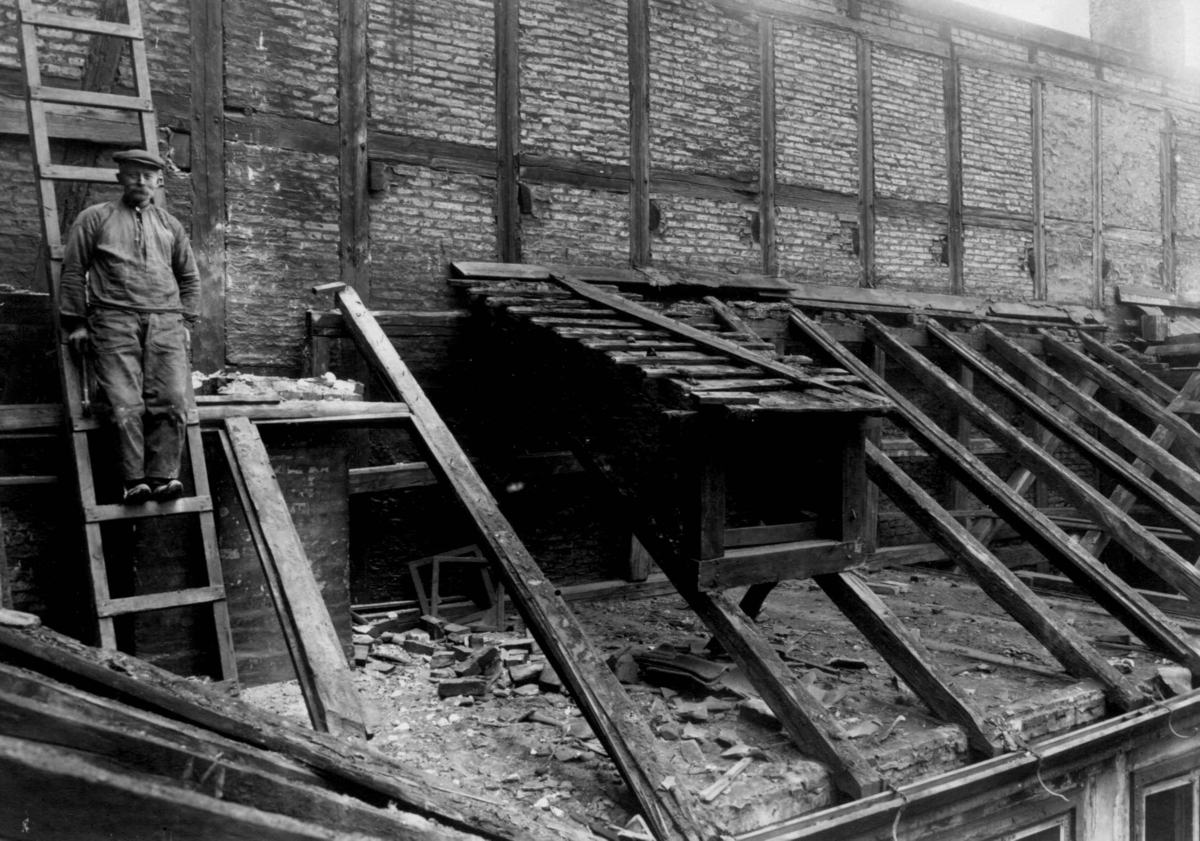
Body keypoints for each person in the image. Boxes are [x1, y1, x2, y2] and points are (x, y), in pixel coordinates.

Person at [59, 149, 199, 505]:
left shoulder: (170, 225)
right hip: (112, 320)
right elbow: (74, 270)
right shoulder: (95, 218)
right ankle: (132, 480)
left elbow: (189, 276)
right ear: (119, 178)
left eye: (148, 176)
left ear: (158, 182)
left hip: (165, 321)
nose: (141, 182)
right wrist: (76, 322)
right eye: (133, 175)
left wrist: (187, 320)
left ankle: (162, 477)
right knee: (125, 403)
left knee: (170, 400)